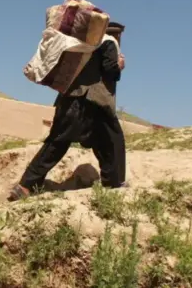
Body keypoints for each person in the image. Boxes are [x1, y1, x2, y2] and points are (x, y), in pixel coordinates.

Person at [8, 22, 127, 201]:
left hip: (69, 100)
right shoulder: (109, 42)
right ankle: (114, 185)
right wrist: (119, 64)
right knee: (113, 141)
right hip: (93, 103)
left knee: (58, 143)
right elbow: (110, 71)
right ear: (117, 34)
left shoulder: (82, 46)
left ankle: (26, 185)